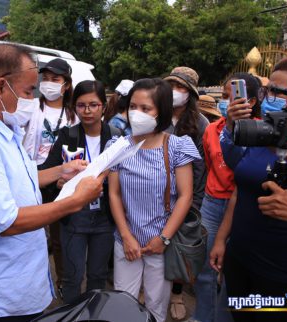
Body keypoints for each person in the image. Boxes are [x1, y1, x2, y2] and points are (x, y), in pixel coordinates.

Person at [0, 43, 106, 322]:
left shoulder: (4, 129)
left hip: (21, 285)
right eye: (29, 91)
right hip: (4, 298)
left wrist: (60, 171)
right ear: (0, 87)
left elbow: (23, 177)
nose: (33, 99)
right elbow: (6, 222)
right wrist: (76, 201)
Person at [216, 54, 287, 322]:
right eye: (267, 90)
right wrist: (223, 240)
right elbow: (240, 188)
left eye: (277, 92)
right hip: (241, 262)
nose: (269, 97)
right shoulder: (262, 132)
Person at [108, 78, 200, 322]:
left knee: (156, 308)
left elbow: (185, 196)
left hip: (160, 243)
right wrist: (126, 236)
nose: (137, 114)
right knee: (122, 305)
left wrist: (163, 238)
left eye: (146, 109)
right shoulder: (118, 147)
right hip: (126, 241)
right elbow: (114, 194)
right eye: (133, 107)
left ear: (162, 111)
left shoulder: (178, 147)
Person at [41, 80, 118, 303]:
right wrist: (58, 182)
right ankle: (72, 313)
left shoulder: (115, 137)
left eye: (93, 105)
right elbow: (48, 171)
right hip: (74, 216)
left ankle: (94, 312)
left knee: (98, 275)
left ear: (103, 106)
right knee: (72, 275)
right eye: (81, 105)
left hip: (104, 217)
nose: (87, 111)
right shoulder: (68, 136)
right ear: (74, 107)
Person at [193, 72, 261, 322]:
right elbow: (210, 166)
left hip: (243, 206)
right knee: (205, 270)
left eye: (229, 97)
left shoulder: (262, 132)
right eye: (222, 97)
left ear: (250, 102)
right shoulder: (212, 129)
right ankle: (202, 317)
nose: (224, 102)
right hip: (212, 204)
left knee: (233, 271)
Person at [21, 58, 77, 296]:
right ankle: (28, 283)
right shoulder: (28, 106)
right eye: (46, 79)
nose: (49, 84)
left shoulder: (74, 115)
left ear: (66, 85)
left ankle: (63, 279)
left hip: (60, 182)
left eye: (56, 80)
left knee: (59, 237)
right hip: (31, 176)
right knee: (28, 234)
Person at [164, 66, 209, 320]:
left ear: (190, 94)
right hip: (154, 193)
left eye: (181, 88)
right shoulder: (155, 114)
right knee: (154, 239)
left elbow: (201, 166)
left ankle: (177, 294)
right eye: (171, 85)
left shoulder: (201, 123)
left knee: (180, 245)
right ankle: (148, 287)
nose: (175, 92)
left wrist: (194, 201)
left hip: (186, 194)